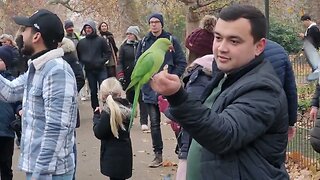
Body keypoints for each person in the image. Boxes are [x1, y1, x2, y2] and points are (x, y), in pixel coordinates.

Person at [150, 4, 289, 179]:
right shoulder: (225, 75)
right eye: (218, 37)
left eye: (234, 41)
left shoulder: (264, 89)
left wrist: (177, 96)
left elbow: (225, 135)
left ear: (259, 46)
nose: (221, 47)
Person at [0, 9, 77, 179]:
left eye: (25, 30)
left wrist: (40, 174)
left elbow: (56, 129)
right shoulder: (37, 68)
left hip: (50, 173)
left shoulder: (57, 70)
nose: (21, 35)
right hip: (39, 169)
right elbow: (10, 91)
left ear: (36, 37)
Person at [135, 12, 187, 167]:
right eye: (151, 22)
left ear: (162, 24)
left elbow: (181, 62)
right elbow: (138, 62)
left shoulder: (171, 40)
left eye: (157, 21)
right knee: (155, 123)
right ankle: (158, 155)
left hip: (169, 91)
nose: (154, 24)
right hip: (150, 90)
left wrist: (172, 77)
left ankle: (183, 153)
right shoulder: (144, 42)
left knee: (177, 122)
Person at [93, 77, 132, 180]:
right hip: (125, 155)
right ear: (119, 93)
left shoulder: (107, 113)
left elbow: (99, 133)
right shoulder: (126, 108)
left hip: (111, 158)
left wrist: (97, 117)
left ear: (102, 96)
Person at [59, 37, 85, 180]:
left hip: (68, 108)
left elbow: (80, 77)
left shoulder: (69, 56)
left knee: (70, 144)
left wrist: (68, 93)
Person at [264, 39, 298, 141]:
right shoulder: (279, 50)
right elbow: (290, 90)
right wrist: (291, 121)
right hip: (275, 117)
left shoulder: (232, 52)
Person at [118, 25, 149, 131]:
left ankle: (144, 122)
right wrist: (121, 75)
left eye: (130, 34)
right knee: (129, 100)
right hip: (128, 77)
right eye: (127, 34)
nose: (129, 36)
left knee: (142, 99)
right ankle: (128, 120)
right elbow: (119, 62)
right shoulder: (123, 47)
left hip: (140, 77)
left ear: (135, 35)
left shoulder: (142, 45)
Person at [77, 20, 112, 112]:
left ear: (93, 28)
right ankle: (95, 109)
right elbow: (79, 56)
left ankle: (107, 108)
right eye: (86, 28)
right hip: (89, 70)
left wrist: (101, 61)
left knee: (105, 89)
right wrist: (84, 62)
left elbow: (108, 52)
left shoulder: (101, 40)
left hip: (101, 69)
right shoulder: (82, 43)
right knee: (93, 91)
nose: (88, 30)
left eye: (89, 28)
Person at [0, 45, 22, 180]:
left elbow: (17, 101)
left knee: (6, 165)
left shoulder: (12, 81)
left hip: (6, 130)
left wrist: (20, 110)